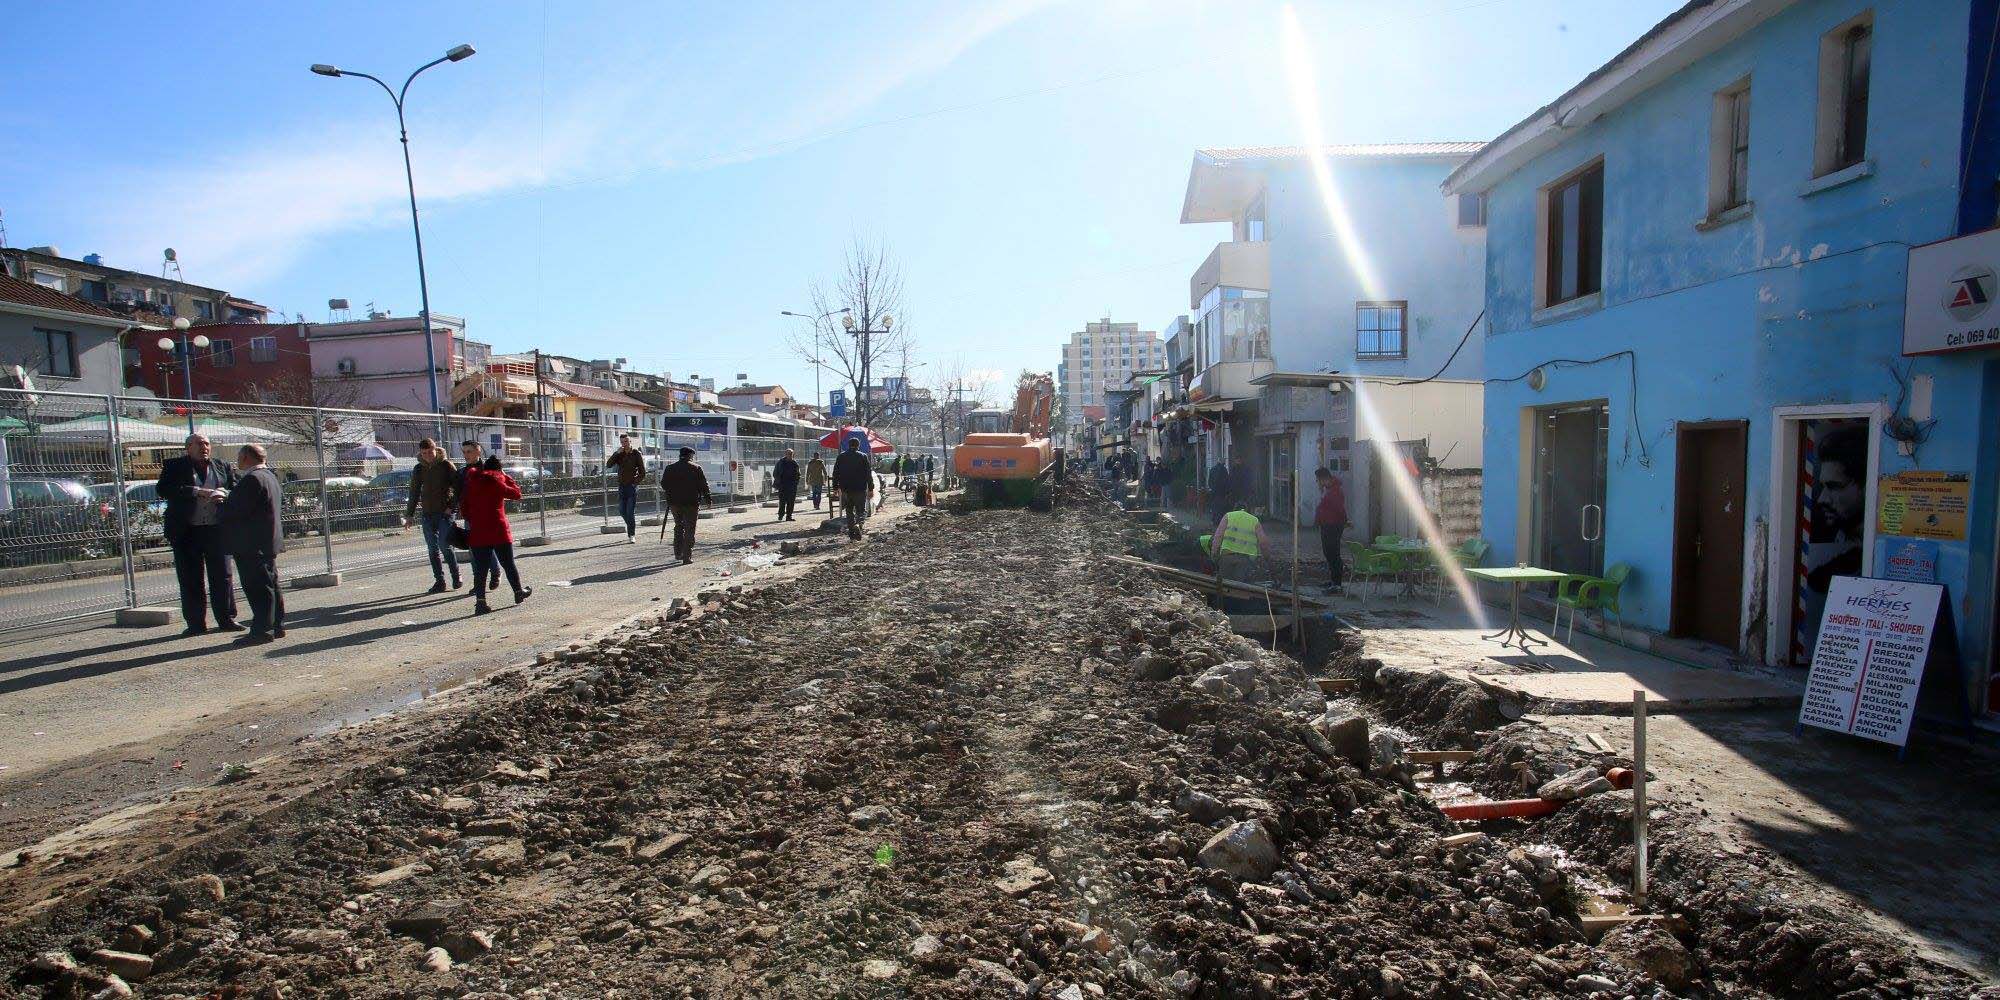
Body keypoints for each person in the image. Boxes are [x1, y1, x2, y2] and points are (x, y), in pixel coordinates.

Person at [159, 433, 241, 636]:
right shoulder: (174, 466)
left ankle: (226, 619)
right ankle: (196, 624)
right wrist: (195, 491)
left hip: (216, 529)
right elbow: (163, 489)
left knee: (222, 576)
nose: (204, 447)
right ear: (188, 447)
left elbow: (236, 488)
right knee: (190, 578)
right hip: (187, 531)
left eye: (206, 443)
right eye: (198, 444)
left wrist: (224, 493)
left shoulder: (221, 465)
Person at [220, 444, 285, 644]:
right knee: (270, 584)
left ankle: (262, 630)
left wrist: (221, 502)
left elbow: (238, 511)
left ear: (246, 457)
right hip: (266, 540)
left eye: (239, 456)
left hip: (251, 543)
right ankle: (276, 625)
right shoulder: (270, 476)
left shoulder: (252, 479)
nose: (237, 460)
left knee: (258, 588)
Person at [460, 456, 533, 615]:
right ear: (499, 470)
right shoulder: (497, 481)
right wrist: (506, 477)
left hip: (478, 530)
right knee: (508, 564)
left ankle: (480, 602)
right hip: (499, 530)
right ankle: (518, 592)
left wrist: (472, 519)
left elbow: (463, 506)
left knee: (480, 569)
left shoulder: (472, 482)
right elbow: (516, 493)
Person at [403, 438, 461, 593]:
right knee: (432, 549)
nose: (427, 456)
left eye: (430, 452)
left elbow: (458, 488)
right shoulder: (419, 469)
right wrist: (409, 515)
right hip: (428, 514)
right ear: (420, 453)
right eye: (424, 453)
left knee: (444, 545)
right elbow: (414, 492)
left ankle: (456, 576)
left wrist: (451, 507)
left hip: (445, 513)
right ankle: (439, 581)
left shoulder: (446, 465)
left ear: (436, 450)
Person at [457, 441, 502, 591]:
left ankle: (495, 571)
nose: (466, 455)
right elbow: (458, 492)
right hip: (470, 516)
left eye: (469, 451)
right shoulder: (462, 472)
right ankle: (478, 583)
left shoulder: (488, 469)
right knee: (473, 550)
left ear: (478, 452)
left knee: (487, 546)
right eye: (464, 452)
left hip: (487, 515)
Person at [660, 446, 713, 564]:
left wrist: (672, 492)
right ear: (690, 456)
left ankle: (678, 552)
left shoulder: (670, 468)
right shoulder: (696, 468)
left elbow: (664, 484)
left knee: (679, 526)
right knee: (690, 529)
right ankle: (687, 556)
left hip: (674, 503)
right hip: (691, 503)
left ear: (680, 455)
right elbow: (703, 485)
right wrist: (708, 499)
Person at [1206, 498, 1275, 584]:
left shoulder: (1228, 516)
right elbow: (1263, 543)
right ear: (1248, 510)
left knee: (1224, 586)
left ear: (1234, 509)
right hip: (1245, 561)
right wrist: (1267, 559)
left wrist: (1214, 556)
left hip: (1226, 558)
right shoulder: (1254, 520)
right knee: (1241, 587)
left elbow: (1218, 537)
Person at [604, 433, 646, 543]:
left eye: (626, 441)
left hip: (631, 487)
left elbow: (642, 472)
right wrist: (616, 453)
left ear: (630, 441)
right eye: (622, 442)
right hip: (622, 486)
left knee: (630, 512)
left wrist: (635, 483)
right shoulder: (620, 454)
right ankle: (631, 526)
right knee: (622, 510)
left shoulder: (636, 453)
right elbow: (608, 465)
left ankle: (631, 534)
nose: (624, 444)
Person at [1313, 467, 1348, 594]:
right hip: (1327, 525)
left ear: (1324, 479)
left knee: (1333, 553)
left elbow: (1339, 509)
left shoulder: (1335, 491)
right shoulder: (1328, 490)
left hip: (1333, 526)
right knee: (1328, 553)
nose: (1317, 482)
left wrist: (1343, 521)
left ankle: (1337, 584)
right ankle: (1333, 580)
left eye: (1318, 480)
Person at [833, 438, 874, 540]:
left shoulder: (841, 456)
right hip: (860, 488)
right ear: (858, 445)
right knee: (861, 510)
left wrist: (835, 487)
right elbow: (868, 473)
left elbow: (835, 472)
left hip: (845, 488)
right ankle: (859, 525)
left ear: (849, 445)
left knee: (849, 510)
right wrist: (871, 488)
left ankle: (851, 532)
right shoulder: (863, 456)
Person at [773, 448, 801, 522]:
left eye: (791, 454)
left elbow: (798, 474)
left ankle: (789, 516)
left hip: (792, 486)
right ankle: (781, 515)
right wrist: (778, 480)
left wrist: (796, 482)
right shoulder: (780, 463)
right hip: (782, 485)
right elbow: (775, 473)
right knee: (782, 501)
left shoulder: (795, 463)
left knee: (791, 502)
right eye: (788, 454)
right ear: (785, 454)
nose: (790, 455)